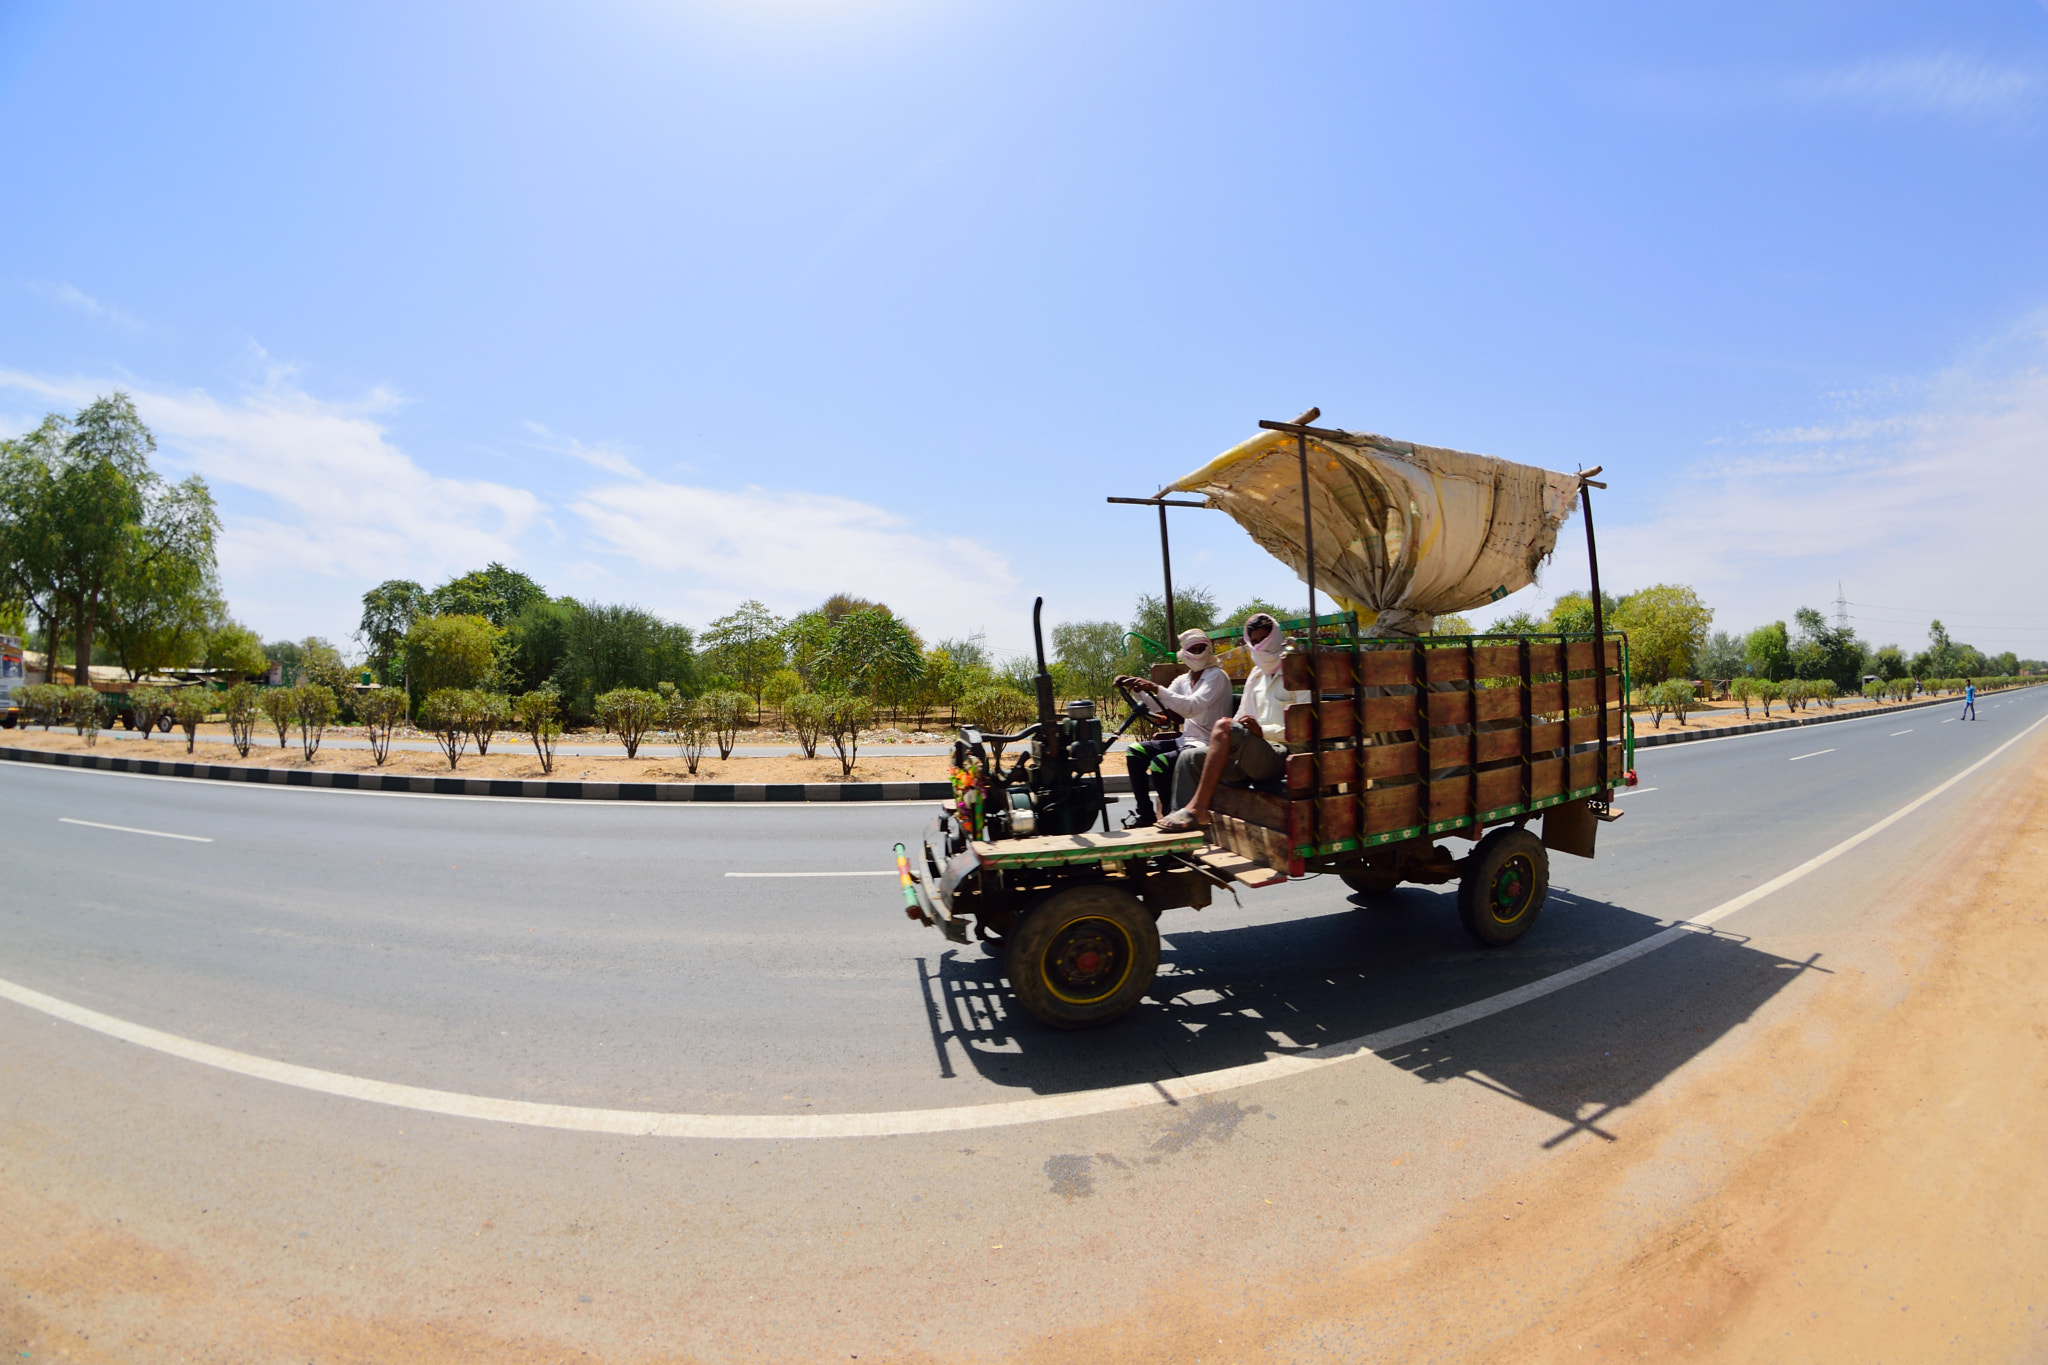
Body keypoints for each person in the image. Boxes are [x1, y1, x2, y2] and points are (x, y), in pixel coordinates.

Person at [1156, 612, 1309, 831]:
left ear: (1275, 637)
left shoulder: (1298, 672)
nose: (1258, 646)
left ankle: (1198, 808)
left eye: (1263, 639)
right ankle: (1183, 830)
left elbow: (1305, 729)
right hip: (1252, 752)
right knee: (1189, 758)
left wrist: (1262, 731)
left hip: (1285, 755)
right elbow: (1241, 716)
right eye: (1253, 642)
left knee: (1224, 727)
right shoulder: (1257, 674)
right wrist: (1236, 727)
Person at [1114, 628, 1233, 826]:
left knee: (1160, 763)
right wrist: (1136, 690)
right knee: (1135, 752)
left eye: (1201, 648)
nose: (1198, 653)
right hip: (1186, 740)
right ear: (1184, 653)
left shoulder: (1216, 677)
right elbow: (1159, 705)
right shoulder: (1183, 680)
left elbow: (1190, 707)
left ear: (1209, 649)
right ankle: (1145, 815)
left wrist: (1154, 687)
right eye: (1192, 649)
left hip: (1207, 745)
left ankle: (1172, 814)